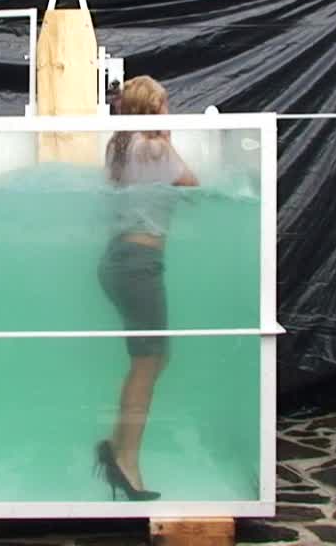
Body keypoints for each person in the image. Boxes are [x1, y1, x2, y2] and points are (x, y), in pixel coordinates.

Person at [95, 75, 197, 501]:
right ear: (152, 109)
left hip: (119, 260)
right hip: (139, 263)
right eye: (165, 104)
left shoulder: (119, 147)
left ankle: (117, 446)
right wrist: (169, 139)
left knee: (153, 358)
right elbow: (192, 184)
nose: (169, 112)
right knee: (148, 361)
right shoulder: (155, 147)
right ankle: (126, 461)